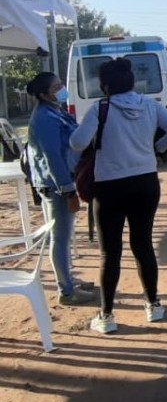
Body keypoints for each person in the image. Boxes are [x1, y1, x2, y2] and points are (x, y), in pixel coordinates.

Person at [70, 58, 167, 335]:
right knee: (143, 244)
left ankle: (106, 315)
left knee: (110, 252)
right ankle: (153, 305)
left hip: (110, 186)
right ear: (132, 81)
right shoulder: (151, 105)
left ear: (106, 84)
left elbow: (77, 143)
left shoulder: (100, 108)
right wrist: (155, 149)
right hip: (145, 182)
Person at [26, 72, 95, 305]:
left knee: (65, 236)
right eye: (57, 87)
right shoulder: (44, 118)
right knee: (61, 238)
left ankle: (68, 279)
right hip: (55, 185)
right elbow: (52, 157)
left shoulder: (55, 111)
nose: (62, 89)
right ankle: (66, 291)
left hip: (63, 180)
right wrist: (67, 190)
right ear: (45, 94)